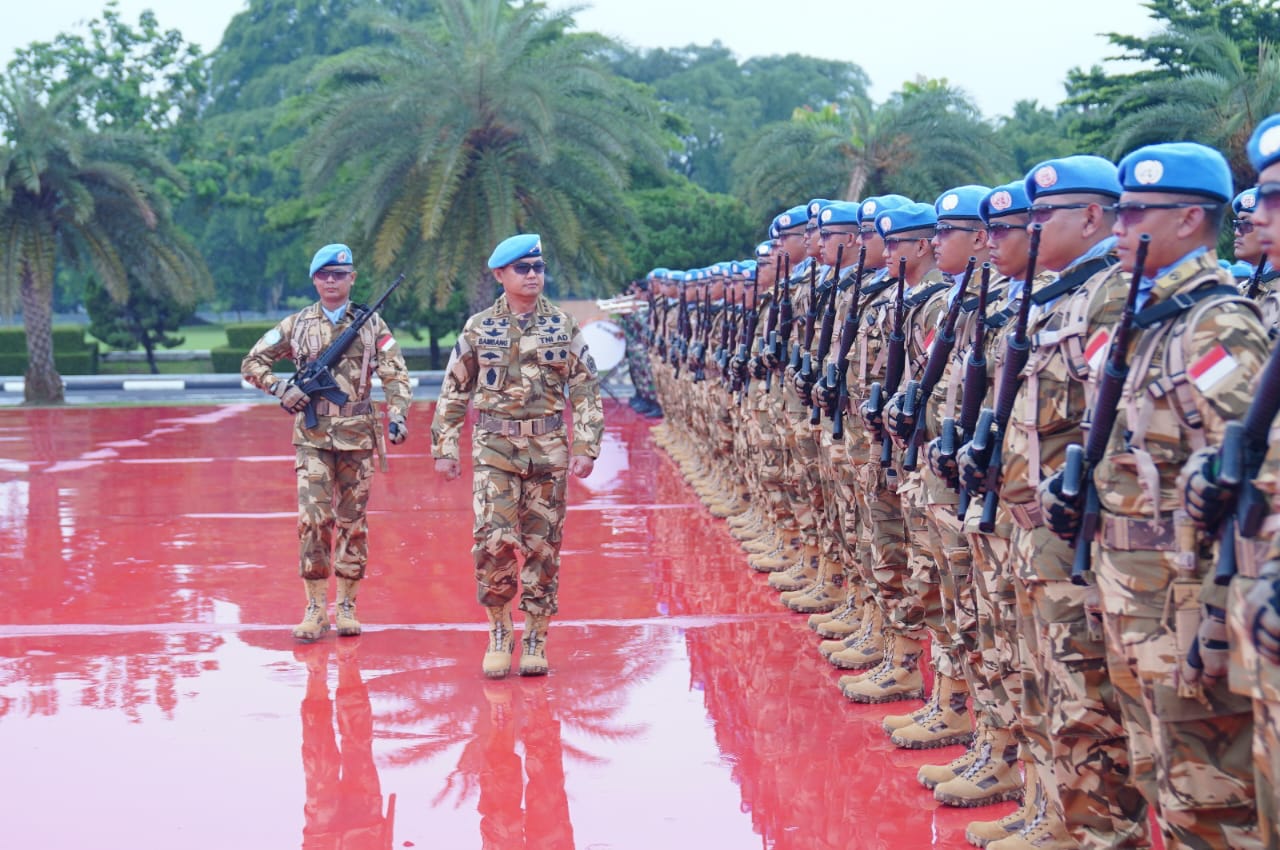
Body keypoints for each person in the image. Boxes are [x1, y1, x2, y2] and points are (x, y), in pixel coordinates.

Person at [430, 234, 604, 679]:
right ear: (499, 275)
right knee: (493, 543)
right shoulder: (478, 328)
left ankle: (536, 636)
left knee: (543, 548)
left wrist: (586, 444)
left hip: (548, 453)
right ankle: (499, 629)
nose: (532, 275)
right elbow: (454, 390)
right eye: (522, 269)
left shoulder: (563, 326)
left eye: (538, 268)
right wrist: (445, 447)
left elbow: (585, 388)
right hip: (495, 452)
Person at [242, 243, 411, 642]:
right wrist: (281, 387)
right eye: (324, 275)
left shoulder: (373, 325)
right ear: (315, 280)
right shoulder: (296, 325)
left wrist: (399, 412)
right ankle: (316, 607)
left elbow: (395, 372)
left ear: (352, 278)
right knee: (314, 520)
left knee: (353, 523)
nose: (331, 281)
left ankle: (348, 606)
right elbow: (253, 362)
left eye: (340, 274)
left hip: (357, 437)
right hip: (313, 437)